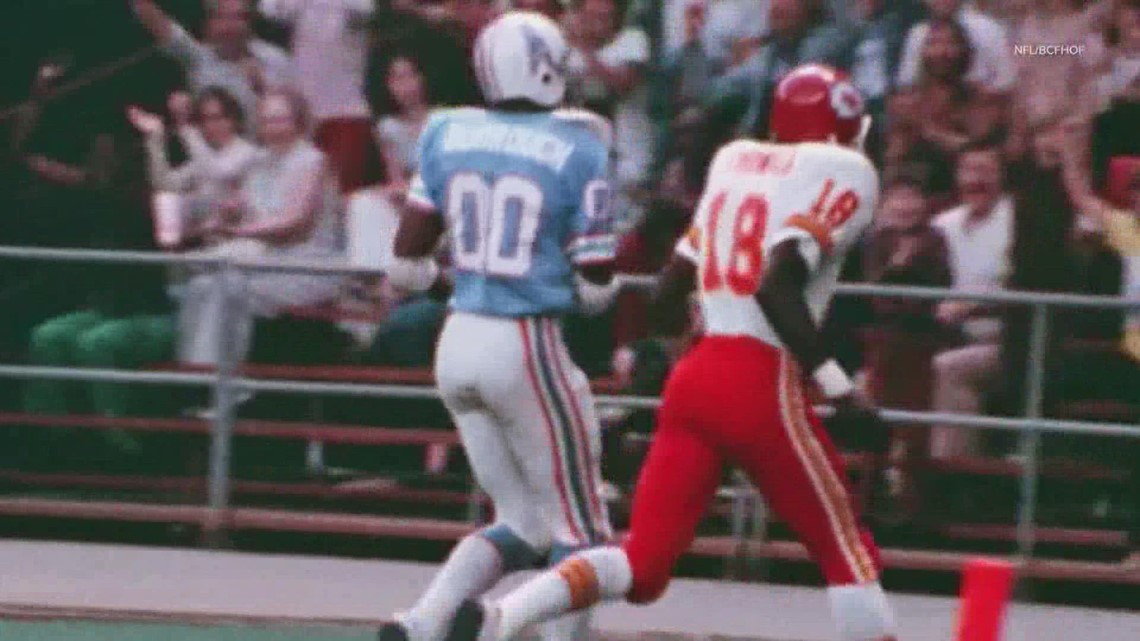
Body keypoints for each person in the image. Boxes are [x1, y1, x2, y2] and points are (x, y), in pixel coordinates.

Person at [443, 64, 898, 641]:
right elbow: (776, 284)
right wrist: (842, 390)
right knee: (846, 553)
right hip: (757, 378)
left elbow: (664, 294)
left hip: (694, 377)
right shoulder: (844, 169)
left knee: (642, 565)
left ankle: (503, 617)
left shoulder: (735, 161)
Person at [376, 12, 619, 641]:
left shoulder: (446, 131)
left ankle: (421, 622)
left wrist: (461, 285)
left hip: (456, 340)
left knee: (521, 521)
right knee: (582, 531)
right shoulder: (581, 142)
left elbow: (404, 268)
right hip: (524, 342)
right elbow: (595, 290)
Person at [177, 88, 344, 368]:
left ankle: (226, 383)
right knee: (200, 285)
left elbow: (295, 223)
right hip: (266, 260)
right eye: (266, 120)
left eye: (280, 120)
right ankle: (195, 374)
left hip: (307, 265)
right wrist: (221, 219)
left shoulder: (313, 161)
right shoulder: (260, 161)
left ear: (299, 122)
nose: (272, 128)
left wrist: (241, 233)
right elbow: (239, 207)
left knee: (229, 288)